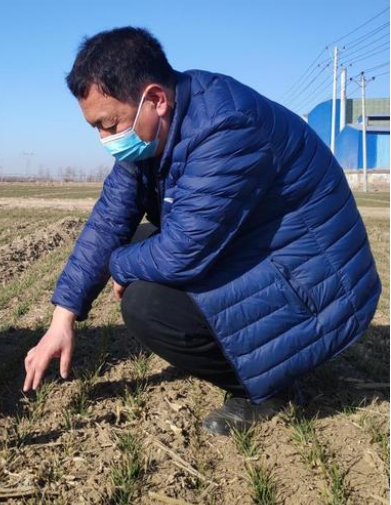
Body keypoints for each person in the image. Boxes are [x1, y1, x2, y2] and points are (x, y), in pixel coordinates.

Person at [23, 27, 381, 435]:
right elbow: (109, 220)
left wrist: (120, 265)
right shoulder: (157, 128)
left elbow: (182, 253)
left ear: (155, 98)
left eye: (109, 124)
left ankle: (266, 389)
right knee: (136, 245)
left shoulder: (226, 128)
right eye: (96, 128)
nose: (106, 139)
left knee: (147, 303)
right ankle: (263, 365)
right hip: (266, 253)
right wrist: (61, 319)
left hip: (317, 283)